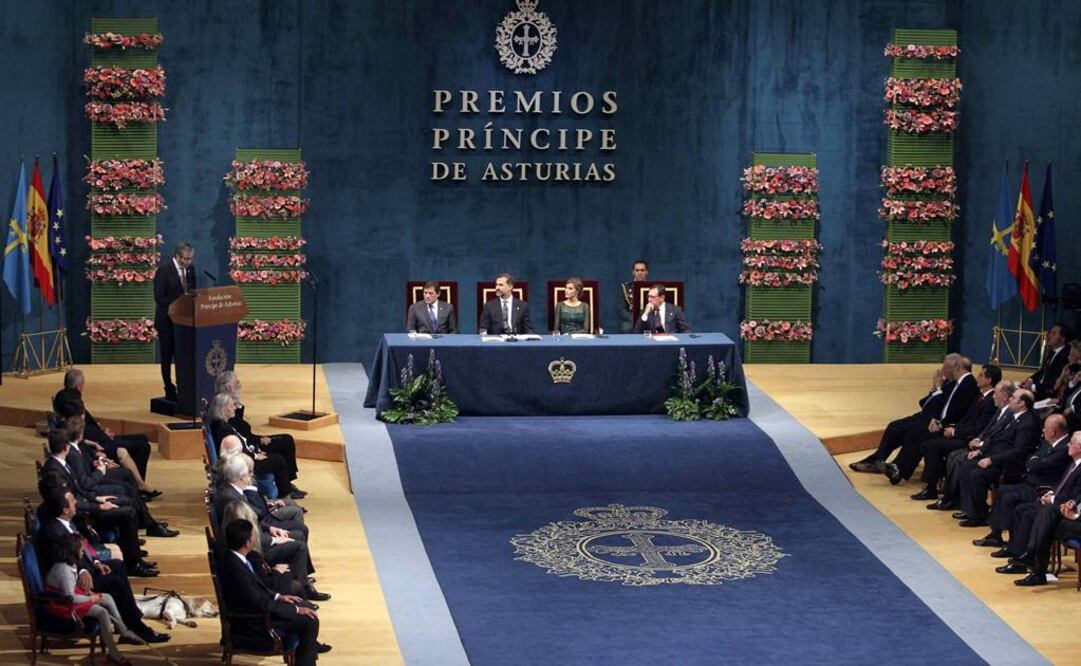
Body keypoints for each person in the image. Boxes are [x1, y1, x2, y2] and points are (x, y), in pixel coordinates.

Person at [218, 519, 328, 666]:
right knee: (310, 620)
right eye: (252, 535)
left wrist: (279, 596)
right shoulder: (237, 570)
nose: (254, 538)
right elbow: (261, 603)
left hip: (258, 611)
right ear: (246, 542)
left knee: (304, 604)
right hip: (256, 623)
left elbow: (257, 590)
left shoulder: (235, 558)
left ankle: (308, 656)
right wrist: (295, 610)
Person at [850, 354, 977, 474]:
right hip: (929, 416)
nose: (942, 371)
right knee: (894, 426)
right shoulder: (951, 382)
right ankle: (878, 460)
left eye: (945, 368)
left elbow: (946, 407)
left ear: (956, 368)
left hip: (937, 420)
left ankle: (895, 468)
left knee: (913, 431)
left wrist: (938, 390)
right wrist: (936, 388)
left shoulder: (963, 384)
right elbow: (926, 403)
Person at [900, 364, 1000, 498]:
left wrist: (954, 432)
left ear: (988, 380)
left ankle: (931, 488)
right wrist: (948, 427)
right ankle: (937, 481)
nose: (978, 377)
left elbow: (979, 428)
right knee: (925, 438)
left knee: (932, 446)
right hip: (962, 432)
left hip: (970, 439)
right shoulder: (980, 396)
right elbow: (966, 418)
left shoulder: (990, 401)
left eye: (981, 375)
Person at [45, 533, 142, 665]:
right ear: (73, 549)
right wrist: (91, 599)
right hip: (61, 605)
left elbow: (73, 587)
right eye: (81, 549)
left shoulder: (71, 563)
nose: (83, 552)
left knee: (106, 597)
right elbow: (70, 597)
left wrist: (90, 593)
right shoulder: (64, 569)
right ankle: (115, 655)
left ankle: (124, 631)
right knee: (102, 612)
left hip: (70, 598)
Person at [954, 388, 1041, 526]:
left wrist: (991, 459)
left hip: (1008, 464)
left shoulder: (1028, 423)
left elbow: (1018, 451)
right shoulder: (1011, 416)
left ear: (1022, 403)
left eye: (1013, 398)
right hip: (995, 455)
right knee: (965, 465)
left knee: (976, 474)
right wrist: (981, 451)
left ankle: (980, 515)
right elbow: (994, 436)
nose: (1010, 399)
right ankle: (971, 510)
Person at [215, 371, 305, 498]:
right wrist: (255, 452)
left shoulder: (228, 406)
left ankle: (287, 483)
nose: (239, 387)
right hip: (248, 448)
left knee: (287, 440)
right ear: (229, 387)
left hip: (250, 442)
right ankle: (286, 491)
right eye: (237, 383)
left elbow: (242, 432)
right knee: (278, 457)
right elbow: (240, 434)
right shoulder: (223, 407)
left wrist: (258, 439)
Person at [209, 393, 294, 500]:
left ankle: (286, 492)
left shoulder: (226, 424)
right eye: (231, 406)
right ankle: (286, 497)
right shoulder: (223, 430)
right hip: (242, 464)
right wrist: (254, 456)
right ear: (224, 409)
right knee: (278, 460)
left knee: (277, 456)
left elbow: (243, 438)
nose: (234, 408)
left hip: (247, 455)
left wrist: (255, 451)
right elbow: (235, 453)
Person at [153, 242, 196, 401]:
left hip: (183, 322)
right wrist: (180, 300)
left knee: (182, 356)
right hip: (166, 322)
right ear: (178, 256)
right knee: (166, 357)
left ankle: (183, 386)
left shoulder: (191, 269)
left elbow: (192, 291)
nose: (189, 262)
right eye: (186, 259)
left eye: (191, 259)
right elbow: (159, 297)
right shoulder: (164, 270)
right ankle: (168, 387)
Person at [1020, 323, 1071, 400]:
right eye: (1050, 332)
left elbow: (1053, 381)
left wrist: (1033, 387)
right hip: (1038, 389)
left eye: (1054, 333)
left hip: (1047, 394)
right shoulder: (1052, 352)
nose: (1049, 335)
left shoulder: (1065, 356)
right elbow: (1042, 372)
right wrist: (1030, 380)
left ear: (1063, 338)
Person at [619, 260, 649, 333]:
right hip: (631, 319)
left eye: (642, 270)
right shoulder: (625, 288)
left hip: (649, 318)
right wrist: (634, 319)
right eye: (637, 270)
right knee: (626, 328)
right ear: (633, 272)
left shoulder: (653, 288)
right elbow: (622, 310)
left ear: (646, 272)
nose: (640, 273)